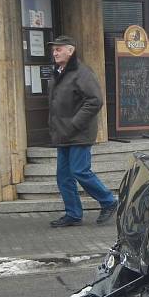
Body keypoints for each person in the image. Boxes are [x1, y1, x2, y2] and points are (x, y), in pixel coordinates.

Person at [47, 35, 117, 227]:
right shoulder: (58, 72)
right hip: (62, 133)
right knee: (63, 176)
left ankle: (109, 201)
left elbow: (95, 101)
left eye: (59, 49)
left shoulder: (81, 72)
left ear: (70, 51)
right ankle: (73, 214)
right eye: (54, 50)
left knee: (79, 171)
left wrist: (74, 123)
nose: (55, 52)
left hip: (79, 133)